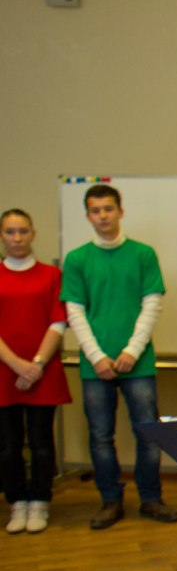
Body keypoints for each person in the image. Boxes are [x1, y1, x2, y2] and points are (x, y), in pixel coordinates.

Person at [61, 184, 177, 529]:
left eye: (108, 209)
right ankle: (110, 501)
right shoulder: (77, 259)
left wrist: (131, 351)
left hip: (138, 363)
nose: (103, 216)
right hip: (94, 366)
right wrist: (97, 356)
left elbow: (152, 304)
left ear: (120, 211)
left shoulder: (143, 254)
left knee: (148, 433)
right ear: (88, 215)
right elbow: (75, 312)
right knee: (100, 436)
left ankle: (151, 498)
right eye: (95, 210)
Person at [0, 209, 72, 534]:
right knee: (8, 444)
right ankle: (17, 501)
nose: (17, 238)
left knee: (42, 441)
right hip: (5, 372)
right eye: (10, 232)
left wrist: (36, 365)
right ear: (2, 236)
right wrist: (17, 364)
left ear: (33, 233)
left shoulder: (51, 275)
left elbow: (58, 321)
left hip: (44, 371)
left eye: (22, 231)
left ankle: (40, 500)